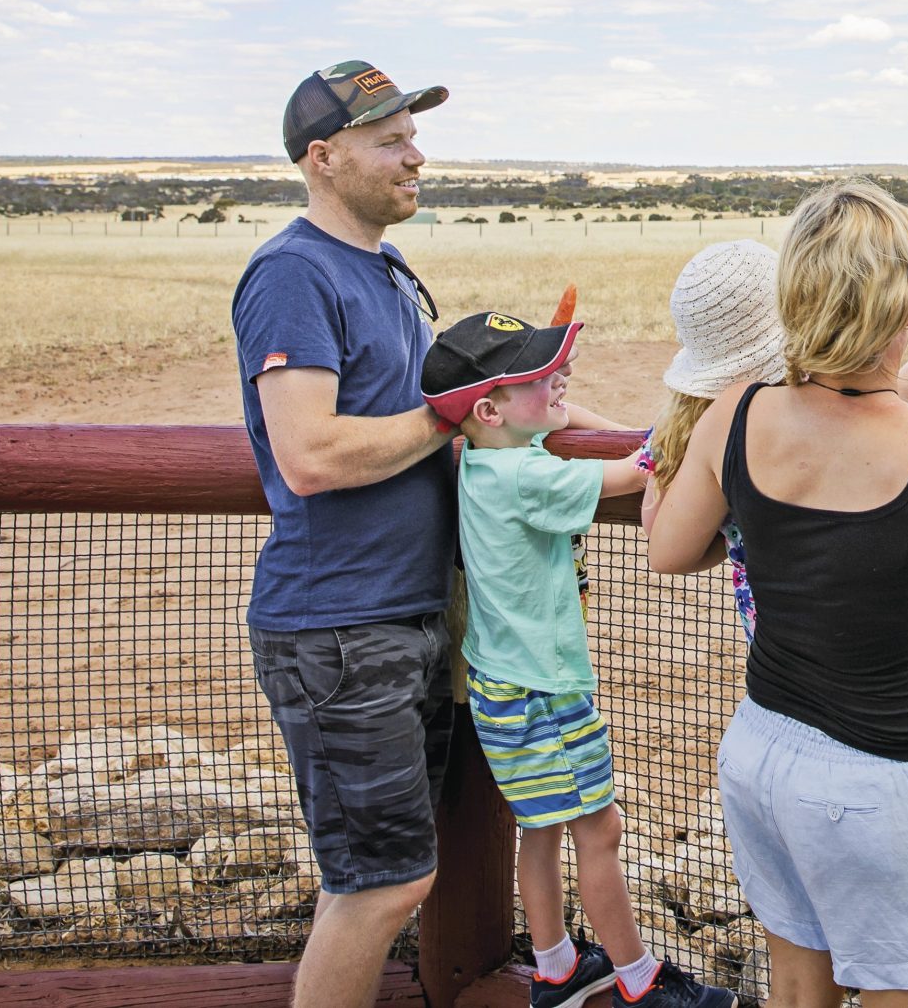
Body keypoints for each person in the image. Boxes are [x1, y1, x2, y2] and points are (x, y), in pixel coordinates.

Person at [647, 180, 908, 1005]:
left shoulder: (737, 414)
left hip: (763, 752)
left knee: (800, 994)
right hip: (883, 785)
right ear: (904, 307)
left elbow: (671, 548)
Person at [425, 311, 733, 1008]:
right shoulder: (525, 475)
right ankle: (639, 982)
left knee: (542, 829)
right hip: (546, 692)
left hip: (506, 687)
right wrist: (692, 420)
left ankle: (557, 967)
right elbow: (636, 472)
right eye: (538, 376)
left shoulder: (483, 460)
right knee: (601, 830)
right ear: (489, 408)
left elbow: (560, 429)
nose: (558, 377)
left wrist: (556, 406)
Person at [231, 60, 457, 1008]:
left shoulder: (384, 267)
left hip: (398, 619)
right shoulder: (292, 274)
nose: (417, 155)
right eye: (389, 140)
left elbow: (430, 402)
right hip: (339, 631)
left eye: (412, 135)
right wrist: (453, 417)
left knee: (392, 872)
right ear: (324, 159)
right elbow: (311, 454)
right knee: (379, 884)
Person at [637, 237, 908, 639]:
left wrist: (729, 531)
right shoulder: (785, 417)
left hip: (770, 662)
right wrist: (898, 391)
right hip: (856, 652)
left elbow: (661, 539)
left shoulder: (680, 427)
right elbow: (835, 448)